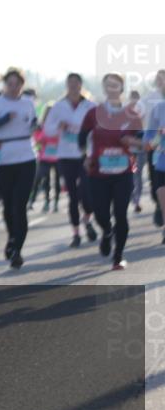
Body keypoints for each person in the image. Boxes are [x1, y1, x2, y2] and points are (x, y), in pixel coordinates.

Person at [79, 75, 144, 269]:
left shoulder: (132, 114)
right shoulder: (94, 113)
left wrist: (132, 142)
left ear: (121, 89)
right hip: (98, 172)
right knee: (100, 213)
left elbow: (142, 141)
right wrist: (86, 157)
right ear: (104, 89)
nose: (112, 89)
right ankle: (107, 232)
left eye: (116, 85)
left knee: (121, 214)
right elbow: (81, 139)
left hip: (124, 171)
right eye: (108, 85)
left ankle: (118, 256)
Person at [0, 68, 37, 269]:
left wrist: (36, 125)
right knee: (9, 206)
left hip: (27, 157)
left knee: (20, 206)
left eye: (17, 84)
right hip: (3, 160)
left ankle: (17, 250)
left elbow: (32, 124)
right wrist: (3, 120)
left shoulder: (28, 103)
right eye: (10, 84)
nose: (14, 87)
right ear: (5, 84)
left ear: (22, 84)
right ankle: (12, 237)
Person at [46, 73, 98, 245]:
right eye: (70, 83)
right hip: (65, 155)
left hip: (85, 155)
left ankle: (87, 219)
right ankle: (76, 233)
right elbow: (48, 130)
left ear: (81, 85)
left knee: (88, 194)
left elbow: (99, 128)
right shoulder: (59, 106)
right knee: (73, 197)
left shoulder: (90, 106)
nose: (73, 86)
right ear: (66, 85)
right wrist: (59, 126)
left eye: (76, 83)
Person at [143, 71, 165, 242]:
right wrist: (158, 136)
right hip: (160, 159)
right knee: (160, 191)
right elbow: (149, 138)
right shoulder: (156, 107)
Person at [29, 104, 62, 217]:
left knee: (57, 180)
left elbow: (63, 138)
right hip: (44, 157)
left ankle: (56, 202)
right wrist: (43, 137)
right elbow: (37, 139)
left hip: (57, 156)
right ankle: (47, 201)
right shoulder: (41, 126)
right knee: (44, 179)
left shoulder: (60, 125)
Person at [128, 90, 147, 213]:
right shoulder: (125, 113)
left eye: (136, 98)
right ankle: (133, 199)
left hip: (140, 149)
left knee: (138, 174)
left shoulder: (144, 112)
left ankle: (137, 200)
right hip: (130, 150)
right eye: (132, 98)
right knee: (131, 175)